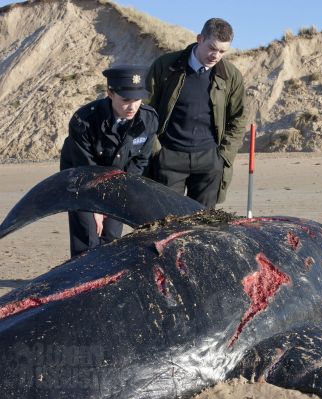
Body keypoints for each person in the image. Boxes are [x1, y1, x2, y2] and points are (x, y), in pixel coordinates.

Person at [146, 17, 246, 208]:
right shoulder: (165, 66)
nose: (216, 55)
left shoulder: (230, 75)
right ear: (200, 39)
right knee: (167, 222)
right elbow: (146, 110)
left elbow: (239, 118)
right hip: (169, 156)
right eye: (212, 48)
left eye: (222, 51)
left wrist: (223, 156)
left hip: (209, 160)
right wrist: (157, 151)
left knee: (203, 225)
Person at [60, 65, 158, 257]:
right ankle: (81, 282)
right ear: (110, 93)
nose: (132, 107)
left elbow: (139, 161)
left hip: (118, 180)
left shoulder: (149, 119)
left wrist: (115, 199)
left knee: (112, 234)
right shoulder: (84, 120)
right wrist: (96, 206)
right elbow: (85, 167)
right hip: (81, 180)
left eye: (137, 100)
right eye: (126, 100)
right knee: (87, 234)